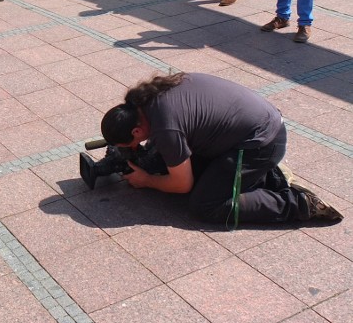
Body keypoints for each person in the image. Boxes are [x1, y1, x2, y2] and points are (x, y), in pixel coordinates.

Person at [101, 73, 343, 225]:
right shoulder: (150, 99)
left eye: (131, 145)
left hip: (261, 144)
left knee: (205, 205)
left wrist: (147, 180)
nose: (135, 148)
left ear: (136, 131)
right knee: (168, 162)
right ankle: (264, 177)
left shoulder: (166, 128)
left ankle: (298, 203)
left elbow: (181, 184)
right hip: (253, 129)